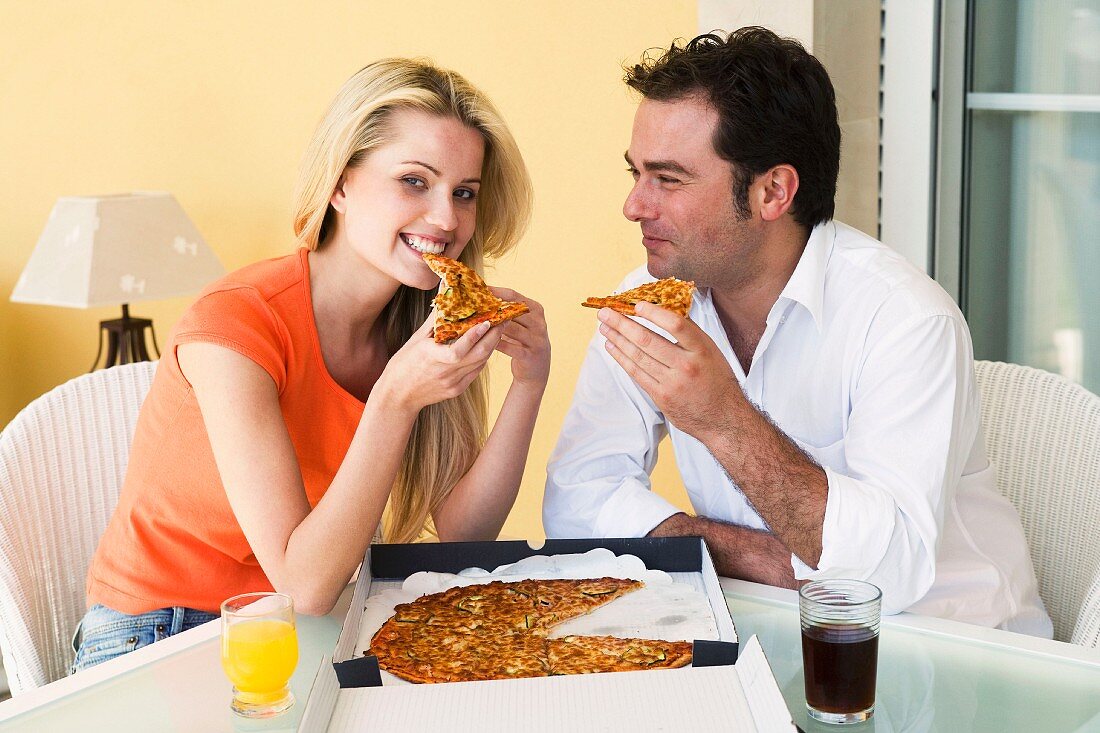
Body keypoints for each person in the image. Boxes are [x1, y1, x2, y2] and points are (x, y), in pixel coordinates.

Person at [544, 28, 1051, 636]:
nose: (634, 205)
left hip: (957, 657)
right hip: (767, 630)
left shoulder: (907, 321)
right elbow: (576, 500)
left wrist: (721, 418)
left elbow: (885, 578)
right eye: (637, 173)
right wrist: (735, 550)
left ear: (772, 192)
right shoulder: (647, 306)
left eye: (668, 179)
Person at [73, 58, 550, 672]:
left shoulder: (423, 322)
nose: (446, 219)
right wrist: (394, 399)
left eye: (464, 193)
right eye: (413, 181)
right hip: (160, 633)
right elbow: (304, 584)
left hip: (301, 625)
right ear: (341, 184)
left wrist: (529, 383)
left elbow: (462, 533)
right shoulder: (236, 326)